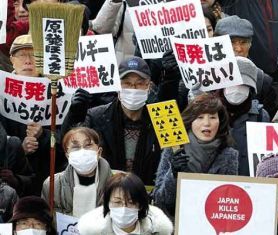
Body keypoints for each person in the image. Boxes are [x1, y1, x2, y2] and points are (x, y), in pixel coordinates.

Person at [61, 56, 161, 186]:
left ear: (149, 86)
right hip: (105, 191)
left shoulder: (161, 118)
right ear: (117, 85)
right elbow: (69, 144)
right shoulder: (97, 116)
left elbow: (171, 157)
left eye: (140, 83)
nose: (133, 88)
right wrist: (74, 115)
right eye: (127, 83)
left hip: (146, 193)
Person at [0, 34, 67, 196]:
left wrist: (44, 135)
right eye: (22, 55)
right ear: (12, 59)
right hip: (13, 184)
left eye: (34, 55)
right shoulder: (1, 91)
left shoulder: (58, 91)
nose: (28, 61)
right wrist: (17, 150)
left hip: (49, 181)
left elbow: (67, 141)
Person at [154, 93, 238, 217]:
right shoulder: (173, 148)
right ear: (191, 120)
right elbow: (161, 200)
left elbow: (227, 202)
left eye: (212, 117)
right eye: (200, 117)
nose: (207, 123)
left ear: (220, 121)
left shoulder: (229, 155)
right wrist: (173, 175)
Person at [214, 15, 276, 117]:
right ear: (216, 43)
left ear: (250, 44)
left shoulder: (263, 81)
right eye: (232, 42)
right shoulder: (203, 78)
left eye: (243, 42)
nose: (238, 48)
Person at [42, 127, 112, 217]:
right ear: (67, 155)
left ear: (99, 152)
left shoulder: (117, 183)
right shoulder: (53, 184)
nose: (82, 151)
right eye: (75, 147)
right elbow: (47, 219)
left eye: (88, 145)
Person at [218, 56, 269, 176]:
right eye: (232, 83)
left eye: (243, 85)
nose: (236, 89)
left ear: (251, 89)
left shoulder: (261, 116)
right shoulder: (208, 113)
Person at [77, 172, 173, 235]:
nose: (124, 208)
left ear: (141, 205)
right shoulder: (92, 231)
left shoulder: (158, 231)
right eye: (117, 202)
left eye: (131, 202)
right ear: (107, 204)